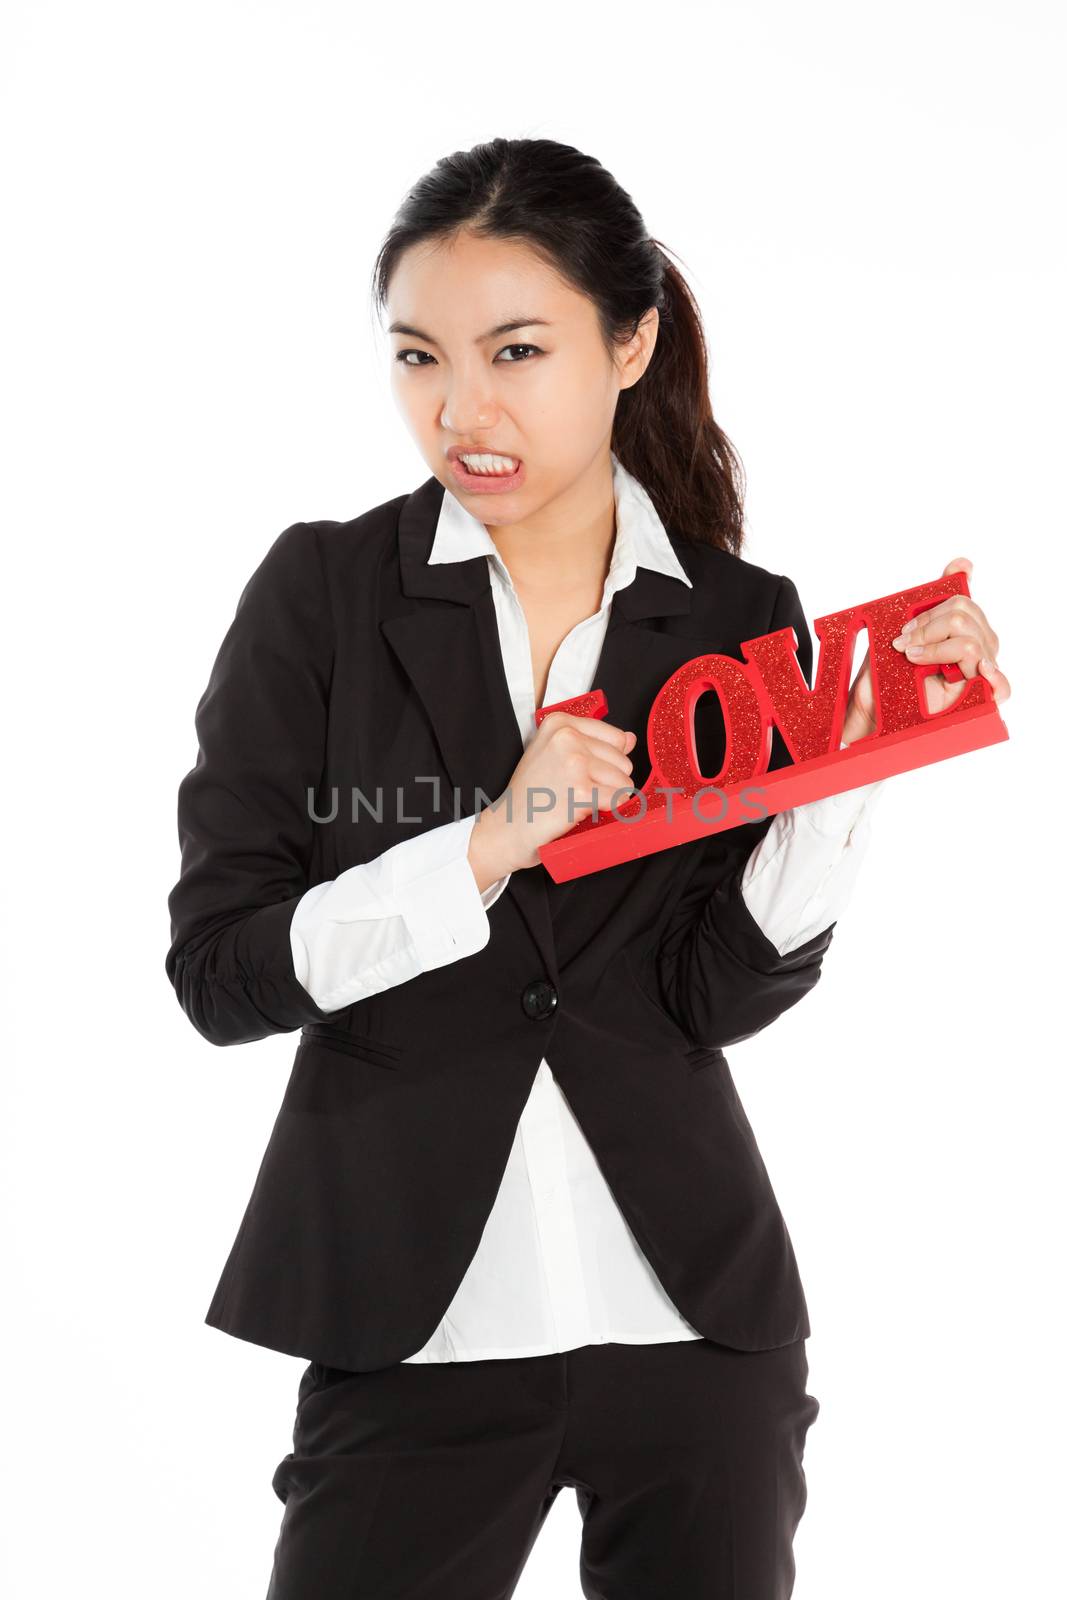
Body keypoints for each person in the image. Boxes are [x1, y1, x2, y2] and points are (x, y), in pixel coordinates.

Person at [165, 136, 1008, 1600]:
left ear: (631, 344)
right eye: (420, 357)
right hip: (407, 1330)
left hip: (696, 1327)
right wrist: (486, 843)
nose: (461, 410)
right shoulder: (323, 595)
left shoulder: (741, 618)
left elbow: (711, 993)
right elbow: (223, 974)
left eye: (516, 352)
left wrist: (840, 775)